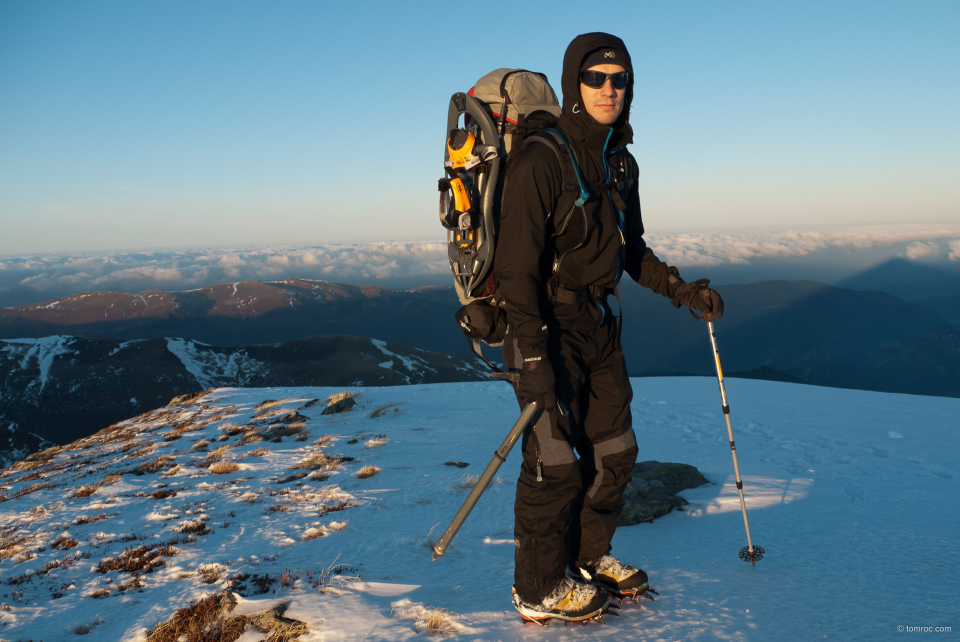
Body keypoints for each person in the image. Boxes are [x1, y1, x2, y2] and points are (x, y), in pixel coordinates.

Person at [495, 32, 724, 621]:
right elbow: (515, 272)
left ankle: (590, 557)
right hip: (544, 329)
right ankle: (538, 587)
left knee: (615, 451)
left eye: (619, 78)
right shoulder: (540, 160)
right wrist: (535, 357)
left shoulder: (621, 162)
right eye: (596, 77)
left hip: (599, 324)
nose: (608, 88)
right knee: (554, 462)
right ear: (574, 83)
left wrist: (682, 291)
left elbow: (632, 249)